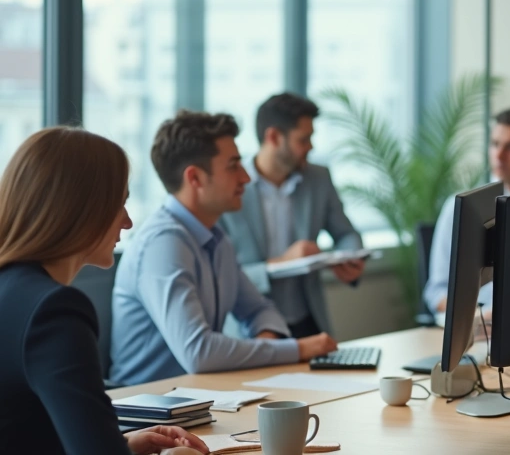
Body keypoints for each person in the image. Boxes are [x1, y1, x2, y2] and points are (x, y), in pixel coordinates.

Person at [0, 127, 209, 455]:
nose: (126, 222)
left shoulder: (11, 290)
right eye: (119, 204)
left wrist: (124, 444)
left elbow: (22, 431)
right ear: (80, 208)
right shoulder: (54, 311)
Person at [110, 110, 338, 386]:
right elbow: (199, 352)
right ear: (194, 178)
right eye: (233, 166)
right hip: (148, 413)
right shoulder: (164, 242)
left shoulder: (216, 238)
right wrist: (298, 349)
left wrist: (266, 346)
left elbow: (258, 309)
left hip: (200, 399)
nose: (245, 177)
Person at [221, 93, 364, 338]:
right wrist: (283, 261)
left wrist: (349, 256)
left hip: (309, 323)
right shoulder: (229, 187)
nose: (311, 147)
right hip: (252, 329)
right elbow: (221, 276)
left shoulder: (318, 179)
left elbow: (346, 233)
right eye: (304, 139)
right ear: (274, 137)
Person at [422, 107, 510, 316]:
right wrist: (482, 316)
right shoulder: (461, 205)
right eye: (495, 144)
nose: (499, 155)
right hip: (478, 329)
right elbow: (437, 292)